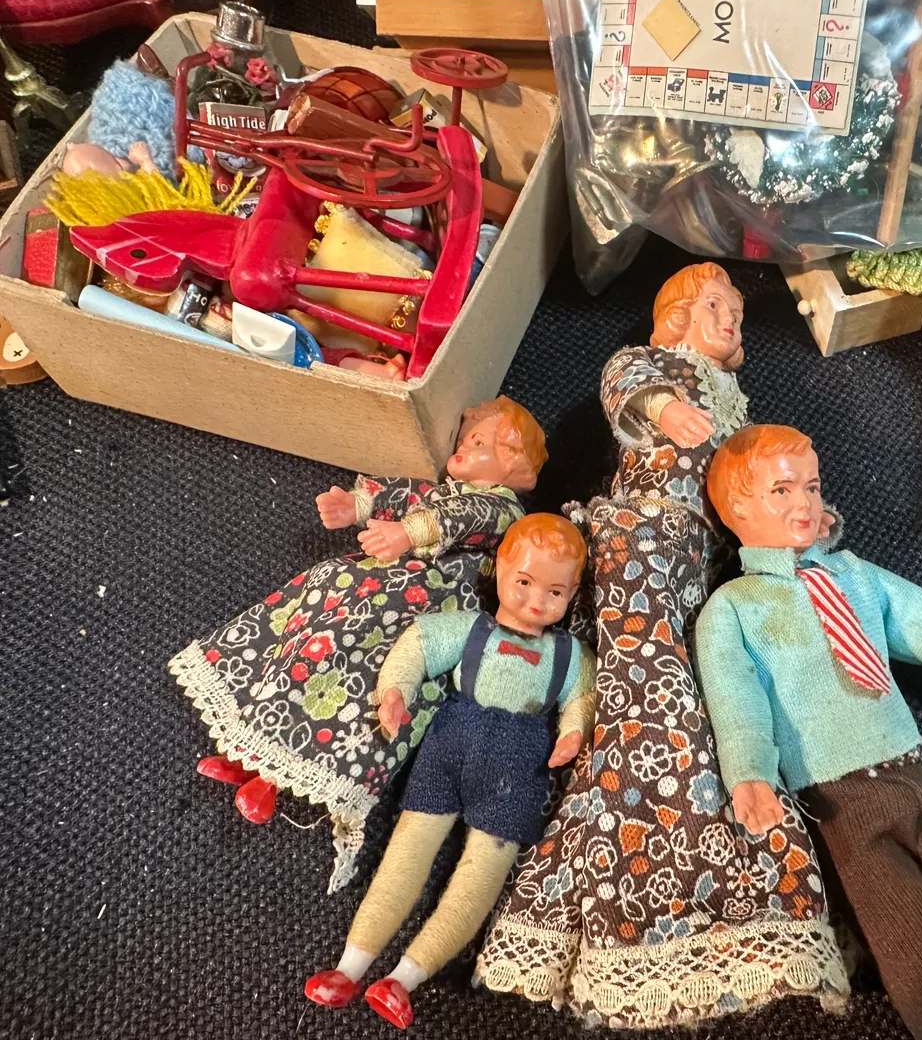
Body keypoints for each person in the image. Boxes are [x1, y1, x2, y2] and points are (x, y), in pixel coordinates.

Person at [479, 265, 848, 1025]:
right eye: (715, 305)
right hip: (643, 535)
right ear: (675, 315)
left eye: (737, 311)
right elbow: (623, 379)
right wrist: (666, 407)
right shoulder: (660, 365)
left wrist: (804, 515)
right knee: (652, 694)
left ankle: (634, 882)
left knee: (706, 694)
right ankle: (661, 893)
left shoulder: (737, 403)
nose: (731, 320)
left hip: (705, 566)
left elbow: (756, 479)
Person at [695, 424, 922, 1040]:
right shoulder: (734, 607)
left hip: (911, 774)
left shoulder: (853, 573)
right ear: (737, 509)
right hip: (841, 800)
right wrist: (750, 773)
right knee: (917, 951)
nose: (804, 503)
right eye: (781, 490)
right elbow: (737, 700)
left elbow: (918, 617)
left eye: (812, 487)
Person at [170, 396, 546, 891]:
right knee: (307, 639)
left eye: (479, 443)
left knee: (354, 682)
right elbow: (408, 495)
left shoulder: (502, 510)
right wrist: (357, 505)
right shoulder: (443, 491)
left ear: (511, 462)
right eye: (466, 438)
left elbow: (457, 518)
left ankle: (271, 781)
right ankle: (249, 756)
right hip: (371, 584)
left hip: (419, 607)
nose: (463, 446)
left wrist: (406, 534)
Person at [304, 513, 595, 1029]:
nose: (536, 601)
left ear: (572, 594)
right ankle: (350, 966)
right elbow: (416, 646)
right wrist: (395, 691)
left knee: (479, 881)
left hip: (517, 771)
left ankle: (405, 978)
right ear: (499, 568)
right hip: (448, 750)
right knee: (404, 855)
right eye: (524, 582)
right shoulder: (470, 627)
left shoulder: (570, 655)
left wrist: (573, 732)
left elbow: (584, 698)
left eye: (555, 592)